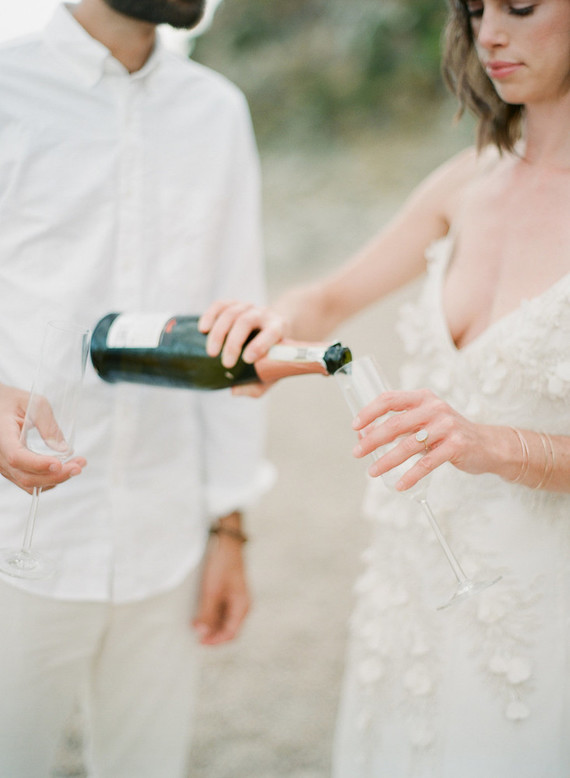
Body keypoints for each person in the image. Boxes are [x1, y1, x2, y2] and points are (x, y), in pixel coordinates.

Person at [199, 0, 570, 774]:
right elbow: (328, 297)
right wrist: (271, 324)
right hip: (411, 591)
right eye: (474, 10)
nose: (489, 34)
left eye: (520, 6)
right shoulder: (466, 180)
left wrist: (494, 443)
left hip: (546, 595)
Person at [0, 1, 272, 775]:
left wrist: (229, 529)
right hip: (16, 543)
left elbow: (232, 326)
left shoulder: (217, 112)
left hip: (166, 540)